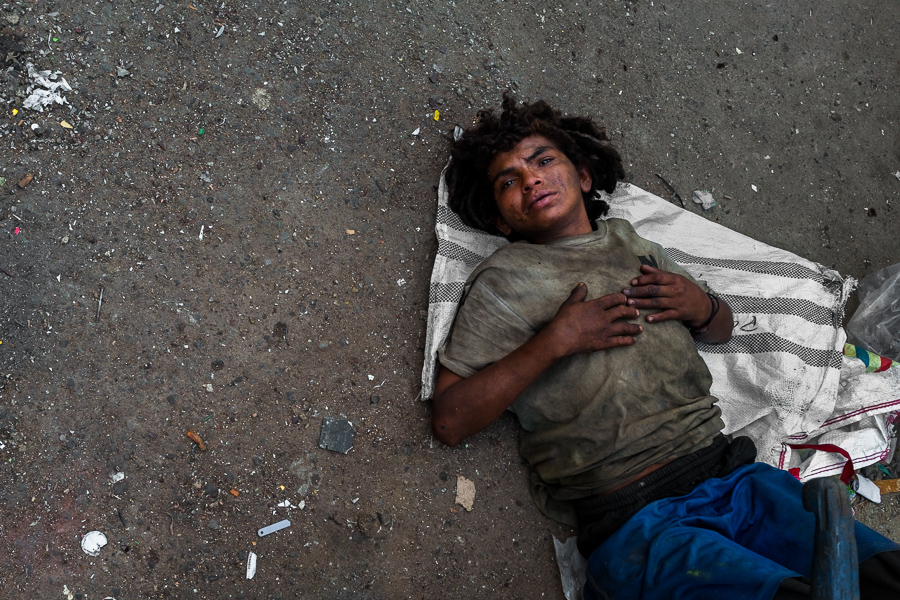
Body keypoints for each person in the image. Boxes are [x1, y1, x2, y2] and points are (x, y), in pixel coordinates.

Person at [431, 95, 900, 599]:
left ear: (584, 176)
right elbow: (450, 420)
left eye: (543, 160)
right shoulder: (503, 281)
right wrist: (555, 342)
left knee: (880, 571)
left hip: (735, 478)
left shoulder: (632, 243)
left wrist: (703, 307)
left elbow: (719, 329)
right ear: (501, 222)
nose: (530, 179)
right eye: (508, 181)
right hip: (630, 519)